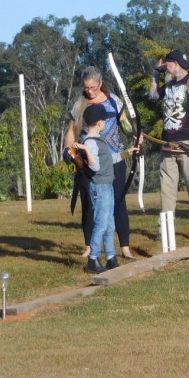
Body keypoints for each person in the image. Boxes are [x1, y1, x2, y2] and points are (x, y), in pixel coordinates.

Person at [65, 66, 135, 259]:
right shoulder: (80, 105)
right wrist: (69, 151)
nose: (90, 91)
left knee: (118, 202)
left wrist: (136, 135)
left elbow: (126, 124)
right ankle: (89, 246)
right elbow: (71, 132)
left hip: (114, 159)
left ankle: (125, 247)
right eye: (86, 88)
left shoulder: (114, 101)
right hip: (90, 161)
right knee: (89, 203)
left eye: (93, 87)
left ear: (100, 83)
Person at [149, 50, 189, 240]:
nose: (165, 67)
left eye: (166, 64)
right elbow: (152, 96)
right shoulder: (167, 85)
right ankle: (164, 229)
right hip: (169, 144)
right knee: (167, 189)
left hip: (188, 144)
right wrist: (155, 75)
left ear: (174, 64)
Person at [72, 104, 137, 274]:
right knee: (101, 223)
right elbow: (94, 167)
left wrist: (127, 153)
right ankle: (93, 259)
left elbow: (111, 159)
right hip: (100, 188)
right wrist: (86, 150)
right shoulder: (90, 143)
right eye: (105, 121)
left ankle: (111, 257)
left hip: (107, 186)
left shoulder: (99, 141)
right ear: (100, 123)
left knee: (110, 224)